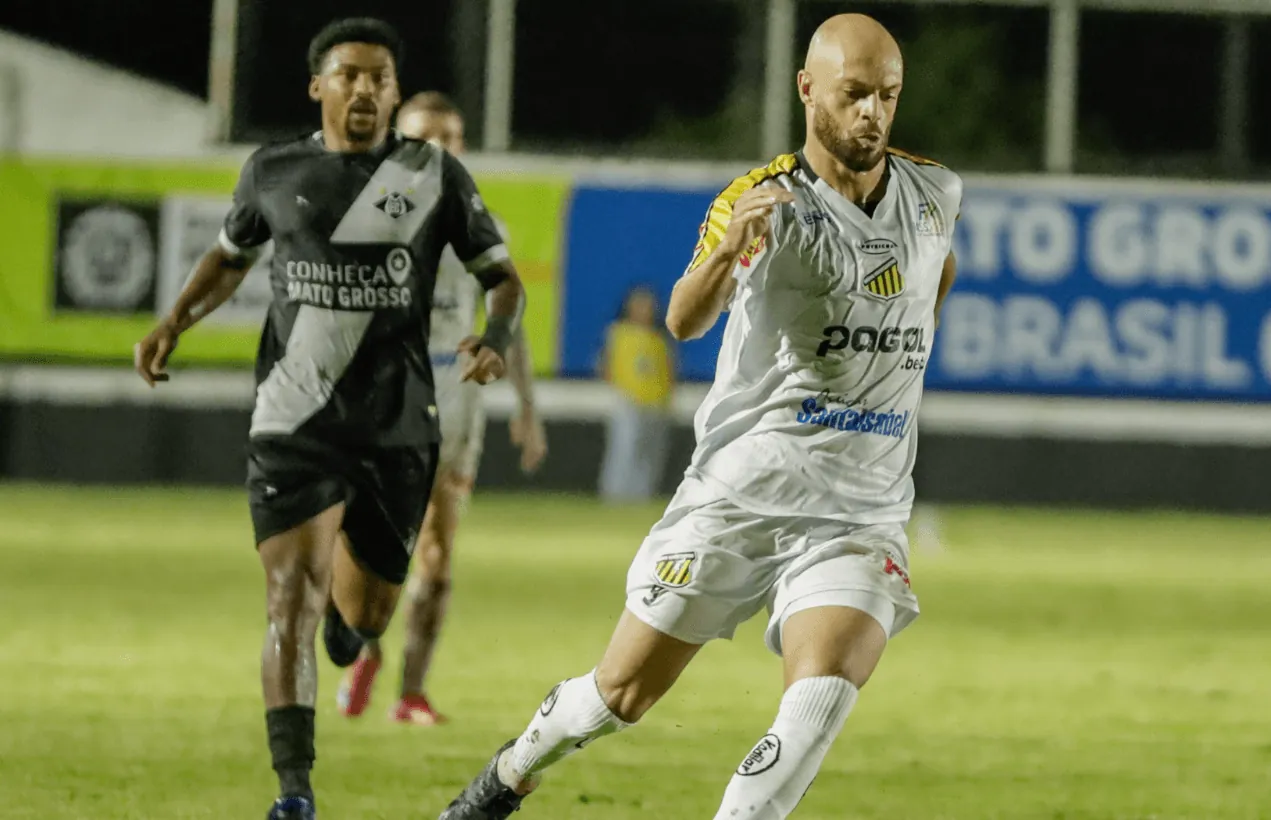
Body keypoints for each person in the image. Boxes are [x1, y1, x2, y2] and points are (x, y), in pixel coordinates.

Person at [437, 13, 962, 820]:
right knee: (620, 695)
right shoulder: (763, 201)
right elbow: (682, 319)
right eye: (854, 94)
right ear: (808, 89)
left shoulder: (935, 193)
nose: (872, 114)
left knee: (820, 696)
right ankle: (509, 774)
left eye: (887, 96)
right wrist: (724, 255)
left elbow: (935, 274)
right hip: (741, 492)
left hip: (860, 511)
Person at [132, 18, 526, 820]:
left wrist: (497, 338)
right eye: (348, 74)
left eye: (379, 77)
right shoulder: (274, 169)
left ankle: (353, 640)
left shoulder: (431, 174)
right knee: (289, 596)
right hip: (293, 419)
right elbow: (228, 256)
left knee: (364, 613)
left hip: (396, 427)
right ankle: (295, 792)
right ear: (319, 86)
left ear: (393, 92)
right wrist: (175, 319)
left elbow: (504, 277)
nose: (365, 89)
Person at [335, 91, 549, 727]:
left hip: (459, 401)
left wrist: (527, 408)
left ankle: (412, 693)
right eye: (427, 138)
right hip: (386, 400)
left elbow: (511, 318)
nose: (443, 150)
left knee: (438, 549)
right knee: (375, 547)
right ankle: (367, 647)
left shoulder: (483, 225)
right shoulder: (367, 220)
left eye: (453, 138)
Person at [597, 284, 675, 503]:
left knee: (650, 453)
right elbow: (606, 364)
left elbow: (668, 369)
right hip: (628, 400)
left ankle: (641, 496)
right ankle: (615, 495)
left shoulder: (659, 338)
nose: (645, 310)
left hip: (657, 402)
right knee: (624, 450)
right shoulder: (618, 332)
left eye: (649, 305)